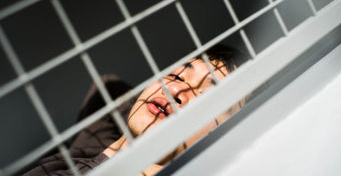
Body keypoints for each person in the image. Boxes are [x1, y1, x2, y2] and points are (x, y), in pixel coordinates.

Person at [23, 44, 246, 176]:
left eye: (206, 97)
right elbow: (111, 91)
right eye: (177, 75)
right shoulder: (80, 153)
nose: (175, 89)